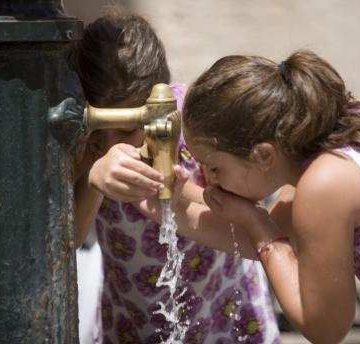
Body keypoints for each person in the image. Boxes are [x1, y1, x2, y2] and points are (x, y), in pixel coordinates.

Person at [159, 50, 360, 343]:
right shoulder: (337, 124)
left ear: (263, 155)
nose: (208, 178)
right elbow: (259, 236)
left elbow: (324, 328)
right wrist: (167, 207)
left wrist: (257, 225)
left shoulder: (324, 186)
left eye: (215, 167)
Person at [71, 10, 281, 343]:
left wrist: (179, 196)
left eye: (127, 129)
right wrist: (93, 178)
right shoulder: (79, 142)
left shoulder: (194, 130)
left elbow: (248, 230)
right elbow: (66, 244)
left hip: (229, 324)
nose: (112, 146)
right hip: (129, 327)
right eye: (99, 132)